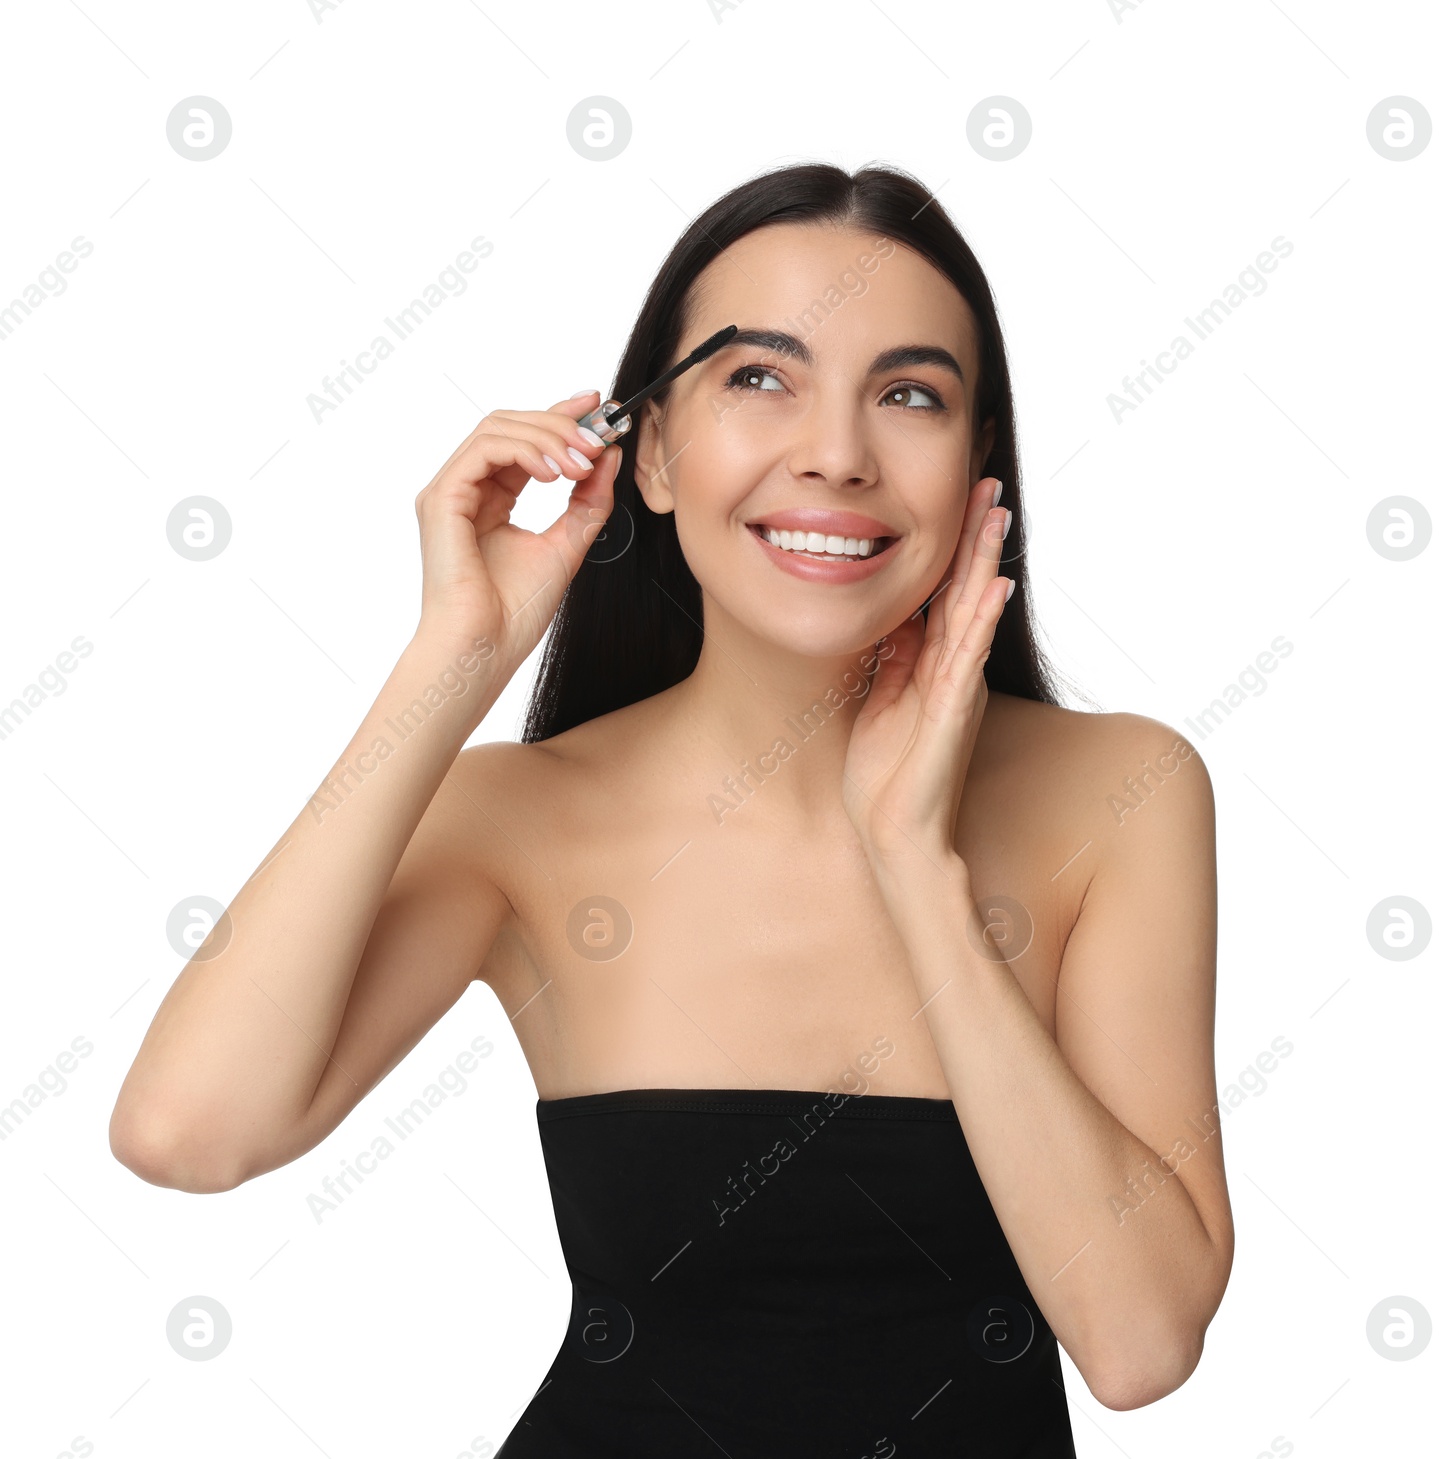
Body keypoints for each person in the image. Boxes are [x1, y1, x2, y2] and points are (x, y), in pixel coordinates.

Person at [109, 161, 1232, 1455]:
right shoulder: (518, 818)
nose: (835, 452)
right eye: (760, 377)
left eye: (910, 394)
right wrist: (452, 663)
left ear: (981, 469)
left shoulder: (1125, 792)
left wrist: (914, 865)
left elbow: (1140, 1345)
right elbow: (185, 1133)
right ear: (646, 455)